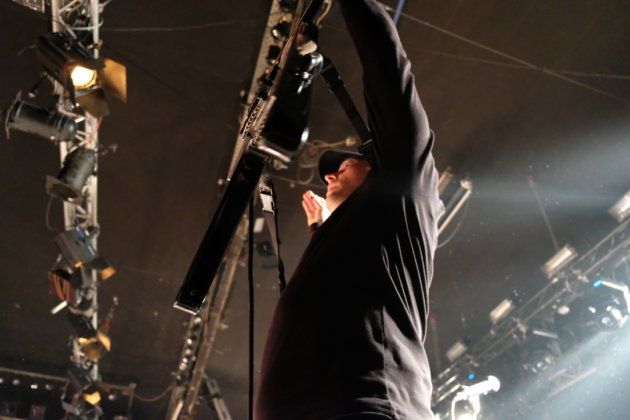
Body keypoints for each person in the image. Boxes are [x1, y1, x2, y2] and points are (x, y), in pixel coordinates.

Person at [255, 0, 444, 418]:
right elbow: (343, 287)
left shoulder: (404, 197)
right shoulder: (364, 237)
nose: (328, 175)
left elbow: (388, 71)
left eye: (344, 165)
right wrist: (321, 231)